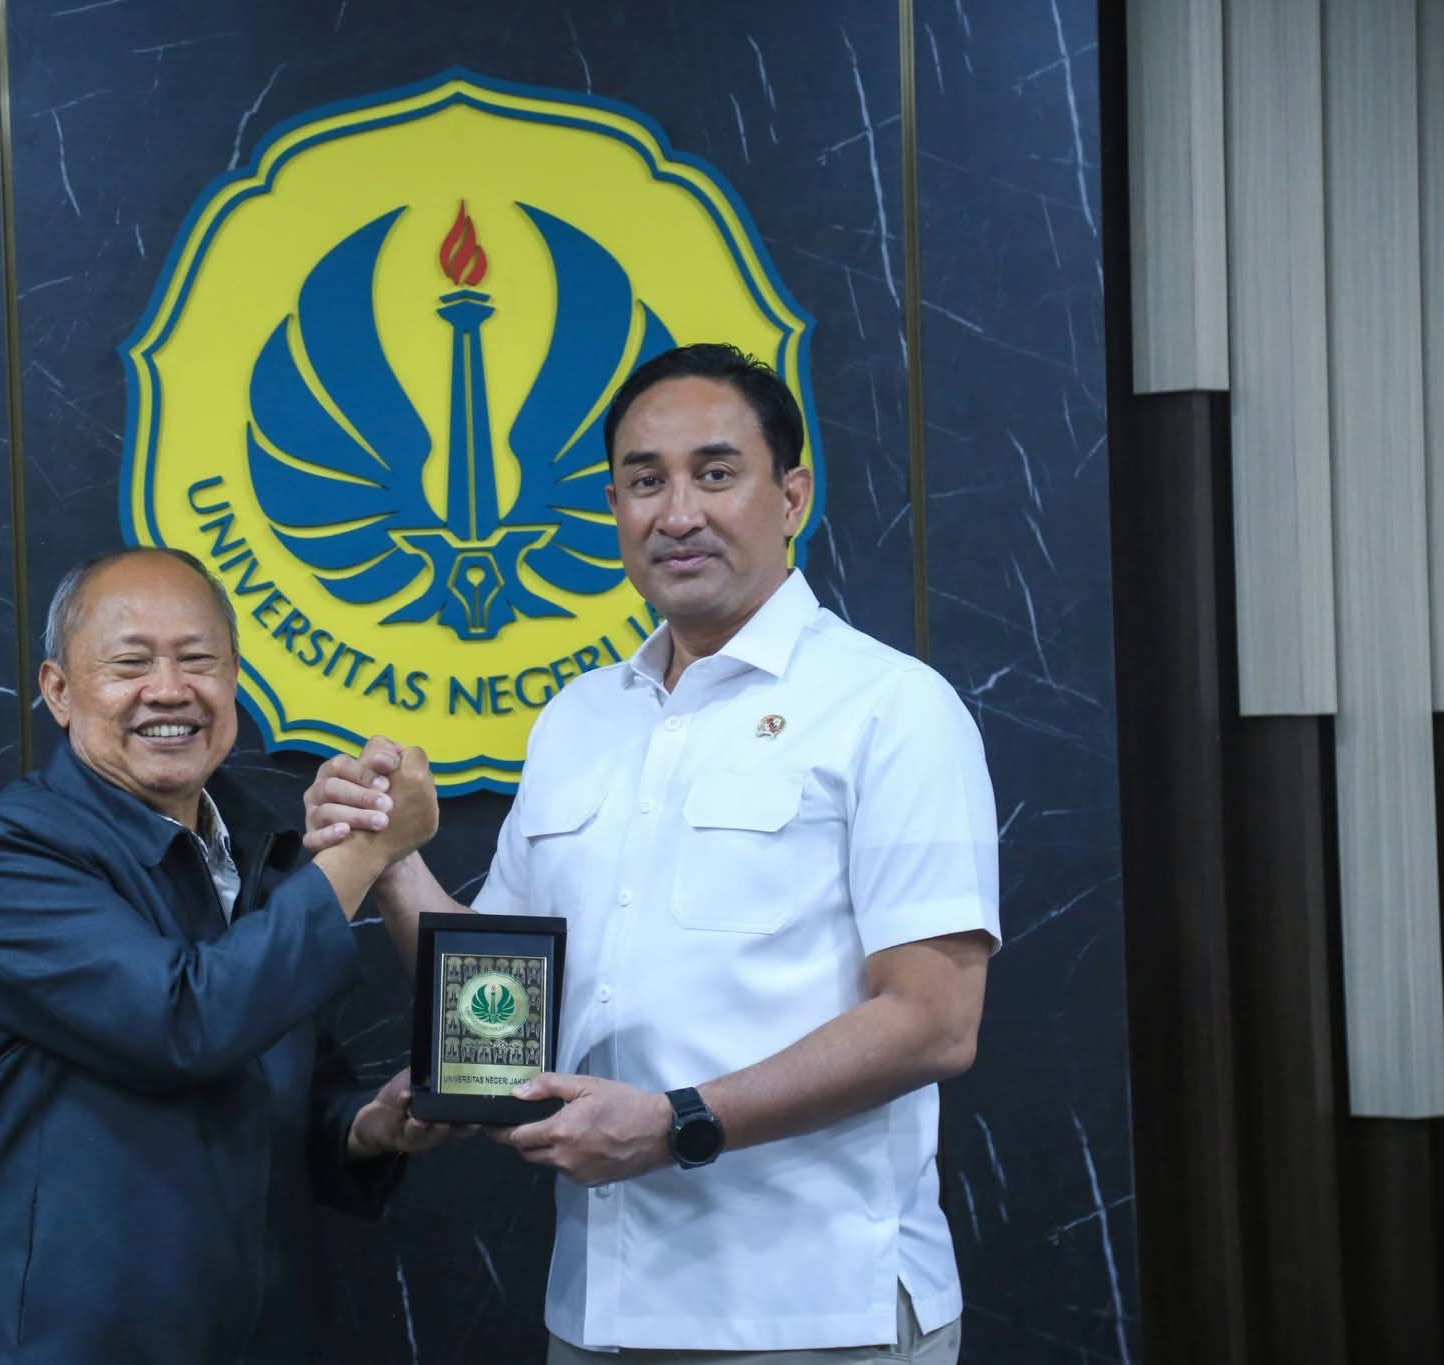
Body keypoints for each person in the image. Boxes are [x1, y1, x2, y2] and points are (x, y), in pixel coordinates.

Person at [307, 344, 999, 1362]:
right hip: (599, 1312)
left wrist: (676, 1122)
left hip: (815, 1311)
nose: (677, 513)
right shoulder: (576, 719)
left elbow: (933, 1022)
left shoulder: (891, 708)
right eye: (644, 481)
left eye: (714, 474)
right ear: (614, 508)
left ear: (792, 496)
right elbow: (497, 1008)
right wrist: (389, 854)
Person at [0, 547, 446, 1364]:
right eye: (131, 663)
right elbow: (187, 1020)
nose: (168, 689)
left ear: (235, 680)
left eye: (197, 660)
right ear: (59, 691)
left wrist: (364, 1127)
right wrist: (365, 851)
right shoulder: (9, 850)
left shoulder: (256, 847)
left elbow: (281, 1083)